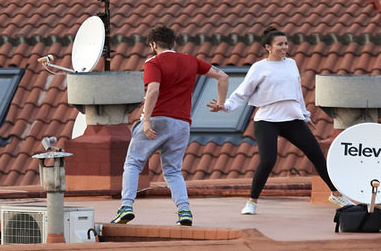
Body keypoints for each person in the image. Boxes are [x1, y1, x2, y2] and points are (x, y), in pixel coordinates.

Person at [208, 25, 353, 215]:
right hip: (267, 120)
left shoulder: (291, 63)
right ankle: (252, 202)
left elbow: (296, 92)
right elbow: (242, 93)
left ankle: (335, 194)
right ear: (268, 47)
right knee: (268, 160)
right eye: (279, 44)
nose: (284, 47)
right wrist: (225, 105)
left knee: (317, 155)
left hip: (292, 119)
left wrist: (304, 114)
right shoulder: (259, 67)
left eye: (286, 43)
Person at [112, 24, 229, 227]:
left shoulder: (153, 62)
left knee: (133, 163)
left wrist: (146, 120)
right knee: (173, 171)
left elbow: (153, 91)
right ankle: (184, 211)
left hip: (157, 119)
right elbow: (223, 76)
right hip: (182, 123)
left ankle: (126, 207)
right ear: (174, 43)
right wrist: (220, 103)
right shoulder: (191, 61)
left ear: (153, 44)